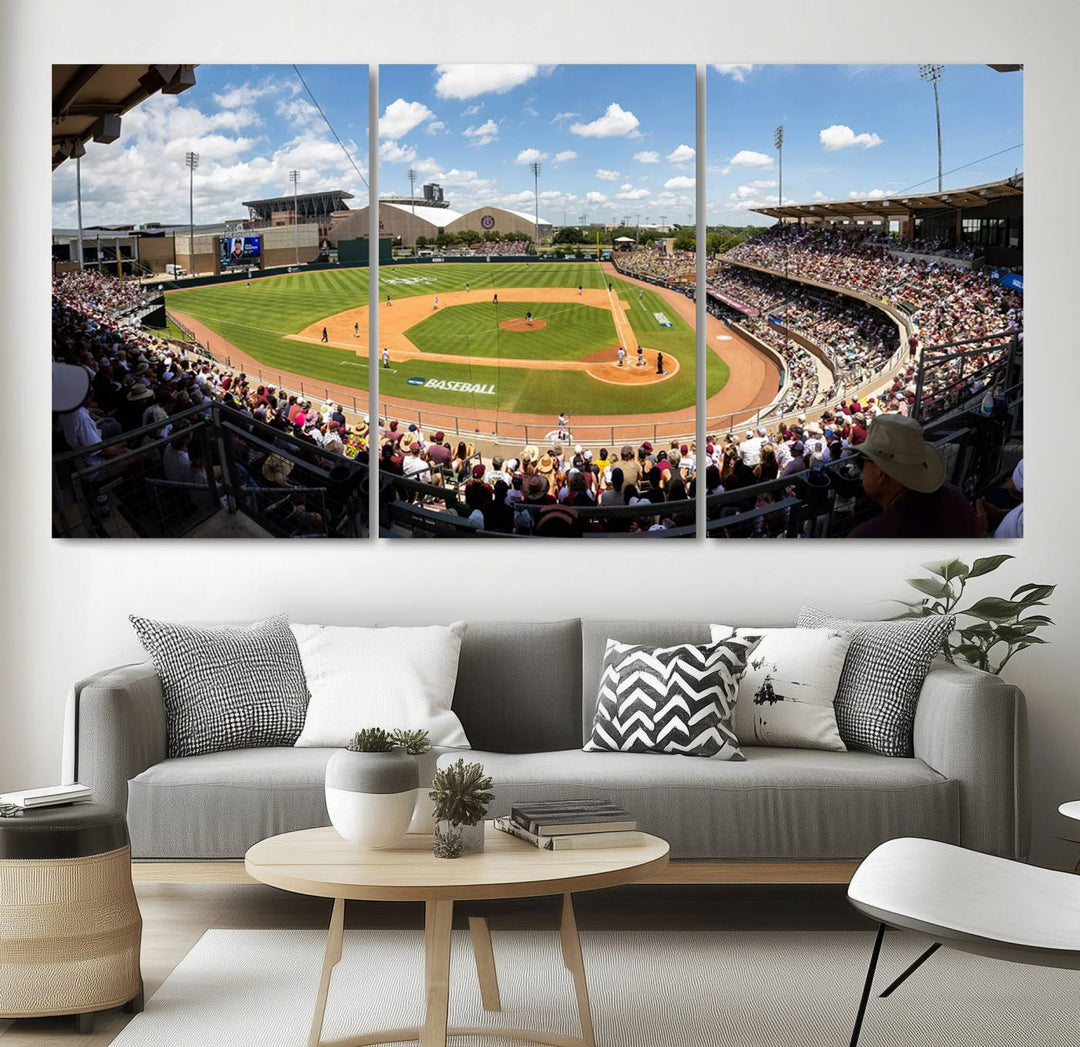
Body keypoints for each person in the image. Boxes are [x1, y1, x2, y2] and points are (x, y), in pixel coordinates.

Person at [849, 415, 979, 538]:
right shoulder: (954, 497)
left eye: (862, 461)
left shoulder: (866, 539)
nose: (862, 470)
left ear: (880, 473)